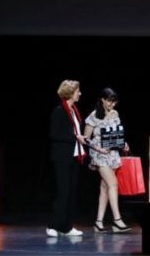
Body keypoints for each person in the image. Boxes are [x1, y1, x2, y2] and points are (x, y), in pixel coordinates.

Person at [83, 87, 131, 233]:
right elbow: (85, 139)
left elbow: (117, 133)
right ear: (102, 100)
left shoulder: (115, 113)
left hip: (113, 154)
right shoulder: (93, 116)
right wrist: (98, 149)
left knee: (104, 188)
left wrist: (124, 143)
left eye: (114, 102)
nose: (112, 104)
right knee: (113, 184)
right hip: (99, 155)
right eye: (109, 101)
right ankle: (117, 220)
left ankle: (98, 222)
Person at [47, 80, 87, 237]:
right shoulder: (59, 111)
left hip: (74, 157)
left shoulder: (73, 111)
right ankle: (53, 225)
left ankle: (67, 227)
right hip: (62, 158)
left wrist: (79, 137)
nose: (80, 93)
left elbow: (75, 132)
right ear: (70, 93)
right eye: (78, 91)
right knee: (63, 192)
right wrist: (75, 137)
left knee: (71, 192)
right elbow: (54, 134)